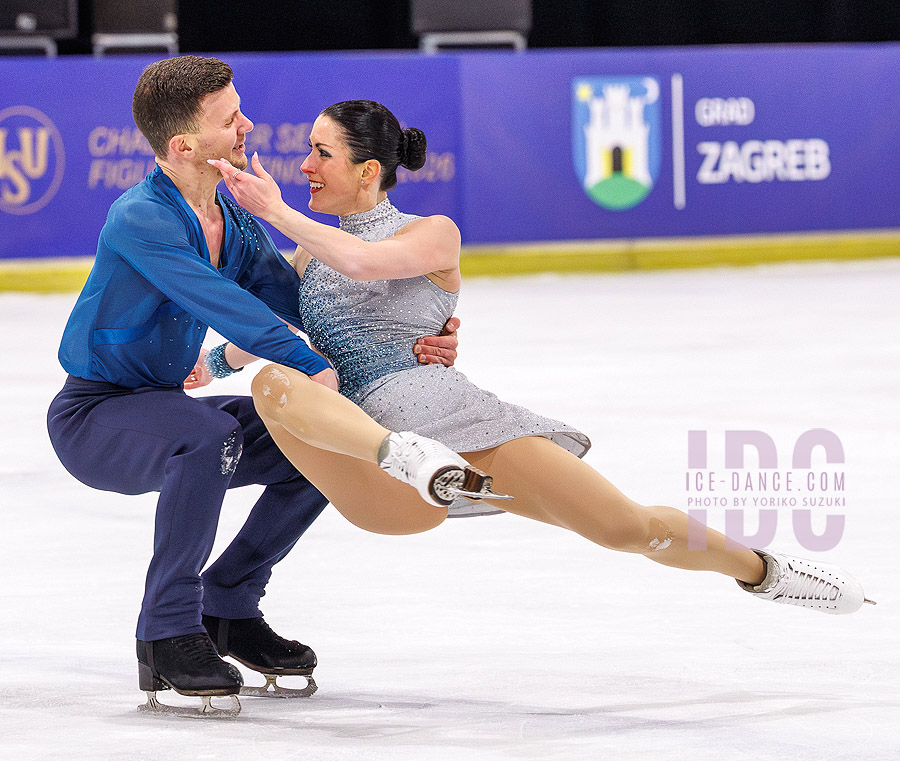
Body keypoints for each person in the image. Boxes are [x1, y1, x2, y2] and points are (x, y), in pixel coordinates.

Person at [204, 98, 873, 618]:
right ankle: (399, 461)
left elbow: (363, 260)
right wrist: (212, 365)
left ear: (368, 171)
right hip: (381, 459)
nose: (305, 167)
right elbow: (270, 330)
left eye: (321, 153)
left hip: (457, 420)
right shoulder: (309, 258)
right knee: (278, 377)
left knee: (625, 526)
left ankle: (765, 569)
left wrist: (277, 213)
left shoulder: (431, 233)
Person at [45, 59, 475, 717]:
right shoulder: (141, 218)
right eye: (230, 119)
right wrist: (306, 364)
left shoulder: (231, 217)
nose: (248, 124)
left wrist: (409, 336)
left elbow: (299, 300)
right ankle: (165, 630)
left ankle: (230, 600)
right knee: (209, 433)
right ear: (184, 146)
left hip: (162, 405)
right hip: (94, 415)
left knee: (316, 445)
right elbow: (227, 305)